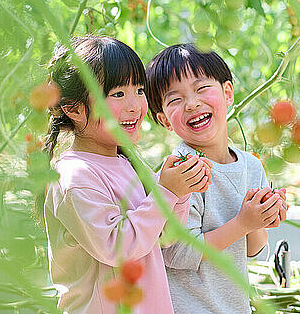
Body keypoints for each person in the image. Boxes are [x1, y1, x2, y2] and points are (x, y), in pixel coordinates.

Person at [42, 35, 211, 314]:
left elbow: (164, 236)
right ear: (73, 108)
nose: (135, 106)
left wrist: (180, 193)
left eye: (139, 90)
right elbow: (118, 248)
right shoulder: (74, 177)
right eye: (118, 94)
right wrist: (166, 192)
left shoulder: (129, 162)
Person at [145, 43, 288, 314]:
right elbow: (177, 252)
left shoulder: (251, 165)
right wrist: (242, 222)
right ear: (164, 119)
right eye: (175, 99)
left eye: (202, 89)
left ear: (227, 92)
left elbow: (252, 248)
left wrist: (261, 218)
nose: (192, 103)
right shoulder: (180, 172)